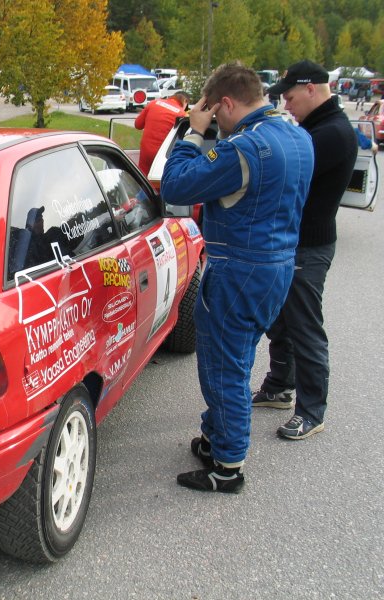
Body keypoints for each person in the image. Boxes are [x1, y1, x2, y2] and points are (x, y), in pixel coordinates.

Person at [161, 62, 314, 493]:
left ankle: (227, 467)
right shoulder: (298, 136)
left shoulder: (244, 148)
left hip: (238, 269)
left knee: (223, 367)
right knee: (237, 357)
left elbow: (175, 186)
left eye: (214, 112)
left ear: (225, 103)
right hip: (277, 266)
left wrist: (194, 133)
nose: (216, 121)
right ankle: (216, 436)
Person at [252, 60, 358, 441]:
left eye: (291, 97)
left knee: (304, 327)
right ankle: (281, 385)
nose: (287, 105)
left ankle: (312, 410)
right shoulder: (316, 128)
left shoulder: (330, 134)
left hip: (309, 247)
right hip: (293, 243)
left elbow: (280, 171)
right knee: (280, 320)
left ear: (312, 88)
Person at [134, 92, 190, 175]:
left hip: (146, 150)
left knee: (142, 177)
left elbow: (138, 125)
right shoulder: (182, 114)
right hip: (163, 155)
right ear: (185, 101)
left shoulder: (153, 103)